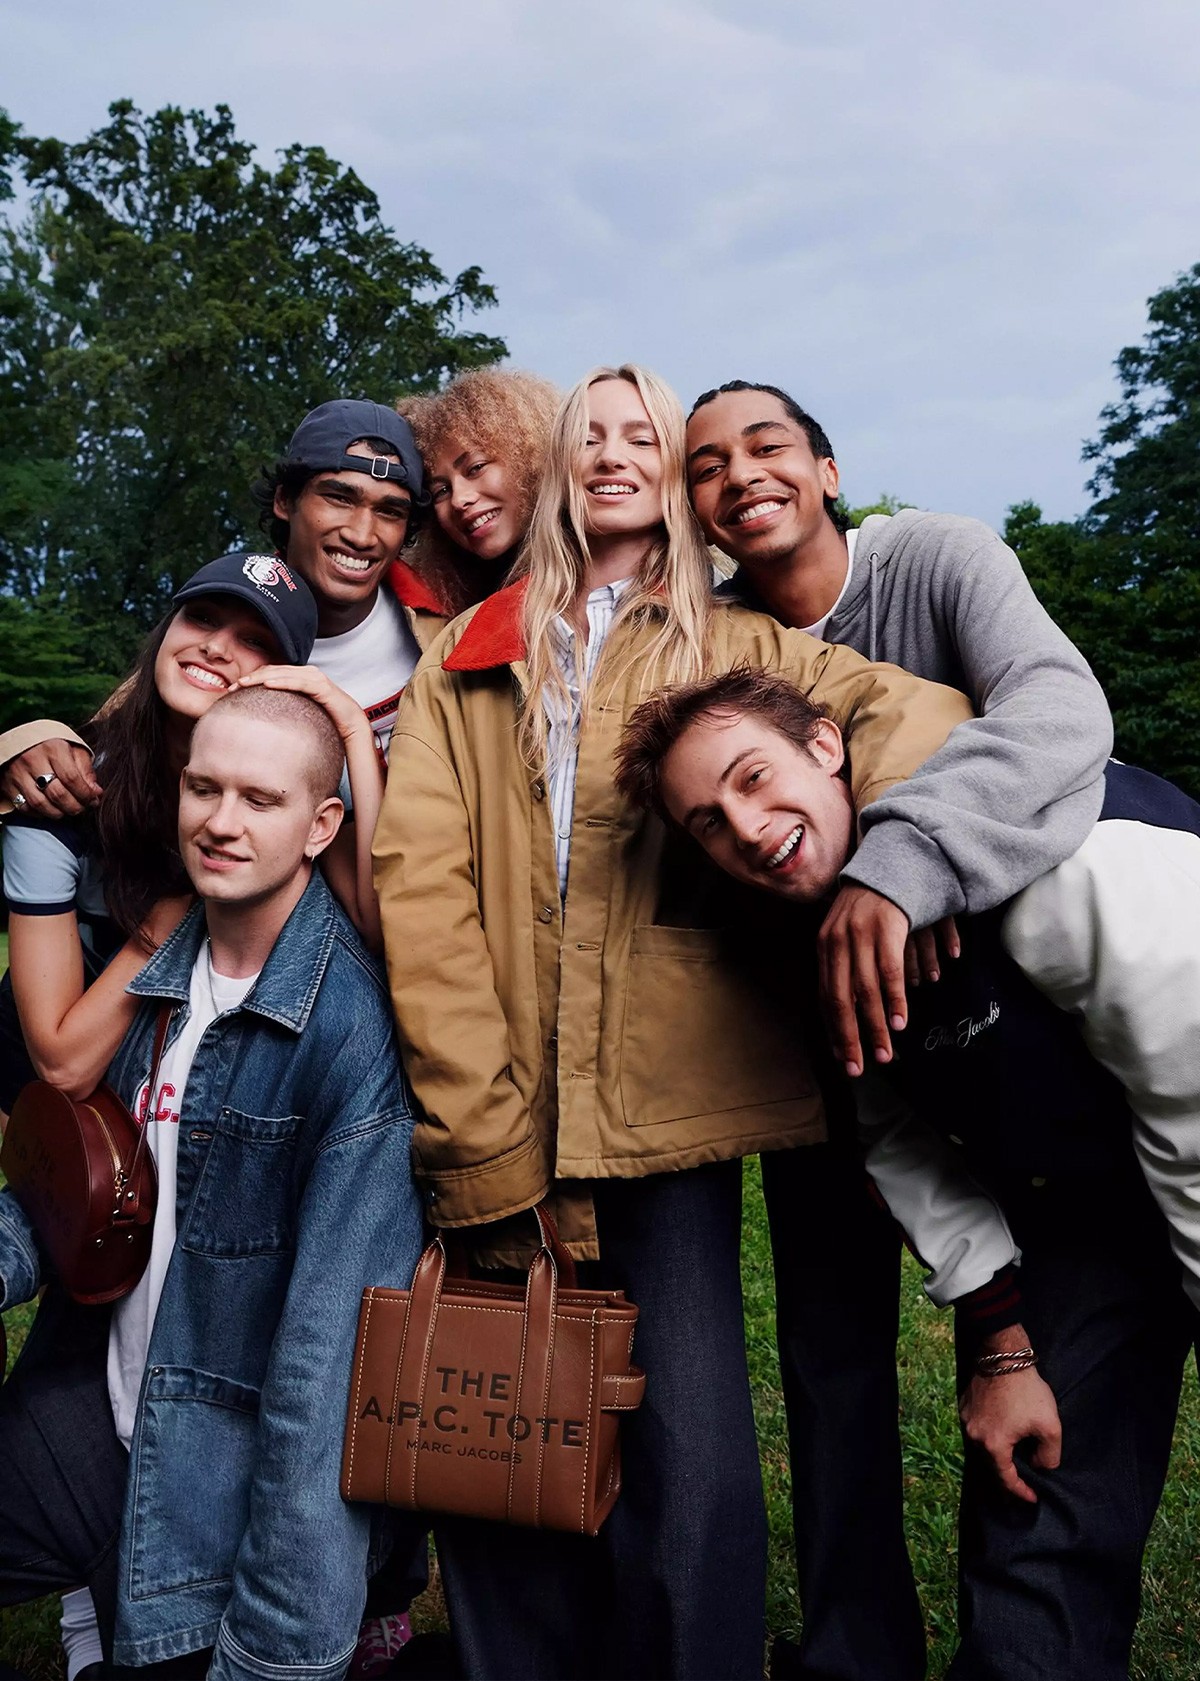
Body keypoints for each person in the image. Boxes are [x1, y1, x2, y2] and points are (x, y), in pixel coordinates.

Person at [371, 360, 1067, 1680]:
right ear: (558, 468)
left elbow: (912, 712)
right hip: (506, 1093)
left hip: (673, 1109)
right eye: (596, 436)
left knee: (692, 1454)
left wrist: (895, 859)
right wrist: (476, 1131)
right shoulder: (466, 659)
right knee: (502, 1428)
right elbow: (423, 892)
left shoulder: (734, 641)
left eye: (647, 434)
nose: (619, 454)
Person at [614, 665, 1199, 1681]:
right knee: (1037, 1523)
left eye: (756, 777)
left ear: (828, 750)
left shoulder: (1079, 865)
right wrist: (1004, 1343)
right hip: (1087, 1211)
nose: (747, 828)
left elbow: (1190, 1114)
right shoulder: (804, 939)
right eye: (708, 821)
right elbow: (895, 1136)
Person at [682, 379, 1114, 1680]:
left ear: (823, 466)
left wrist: (897, 860)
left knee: (1075, 1300)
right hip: (827, 1021)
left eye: (766, 447)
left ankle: (1043, 1546)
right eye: (705, 466)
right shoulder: (714, 638)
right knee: (827, 1346)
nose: (740, 475)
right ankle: (855, 1647)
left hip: (1013, 1004)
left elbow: (1054, 712)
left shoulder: (934, 556)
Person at [0, 682, 424, 1678]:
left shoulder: (352, 1044)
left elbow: (325, 1382)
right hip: (103, 1420)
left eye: (260, 800)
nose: (221, 823)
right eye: (203, 789)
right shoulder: (154, 968)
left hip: (212, 1492)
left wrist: (278, 1648)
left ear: (324, 825)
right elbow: (84, 1191)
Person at [0, 399, 449, 820]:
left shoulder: (444, 632)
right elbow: (116, 747)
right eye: (339, 497)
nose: (363, 534)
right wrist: (26, 747)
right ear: (284, 501)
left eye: (390, 511)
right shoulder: (220, 621)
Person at [399, 367, 561, 614]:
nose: (458, 500)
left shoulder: (599, 576)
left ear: (531, 459)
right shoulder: (447, 610)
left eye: (475, 468)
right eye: (441, 491)